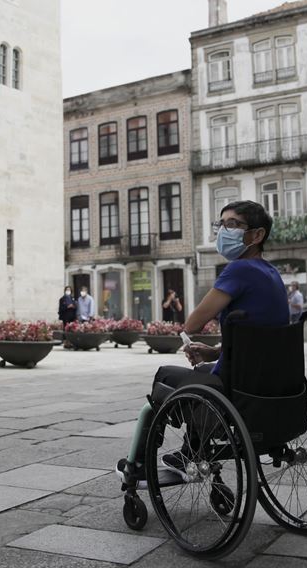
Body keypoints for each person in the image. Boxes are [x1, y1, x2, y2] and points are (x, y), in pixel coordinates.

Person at [122, 200, 288, 479]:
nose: (224, 231)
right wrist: (213, 352)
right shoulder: (272, 274)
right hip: (270, 381)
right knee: (200, 372)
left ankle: (145, 463)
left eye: (233, 224)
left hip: (237, 384)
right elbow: (258, 339)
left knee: (166, 375)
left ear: (257, 235)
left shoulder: (238, 270)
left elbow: (193, 322)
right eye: (221, 224)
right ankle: (193, 446)